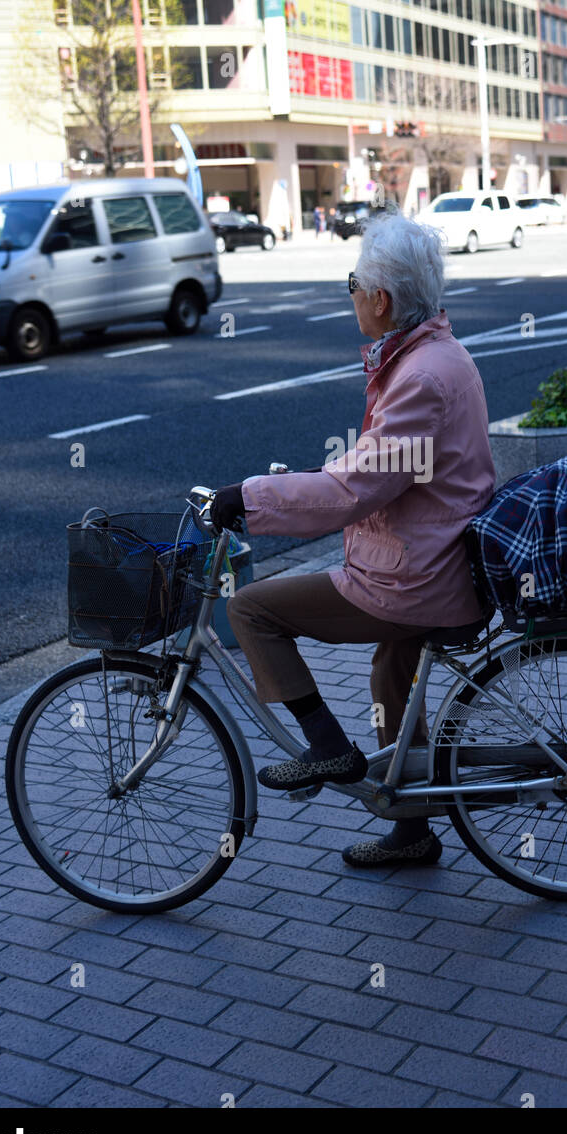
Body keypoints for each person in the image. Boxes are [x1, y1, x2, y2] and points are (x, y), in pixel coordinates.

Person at [212, 212, 495, 868]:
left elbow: (352, 491)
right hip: (440, 559)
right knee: (391, 675)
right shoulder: (433, 354)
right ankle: (412, 830)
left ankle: (325, 747)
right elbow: (371, 476)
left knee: (251, 609)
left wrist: (248, 498)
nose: (350, 297)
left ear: (381, 300)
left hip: (418, 576)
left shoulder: (421, 374)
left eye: (351, 284)